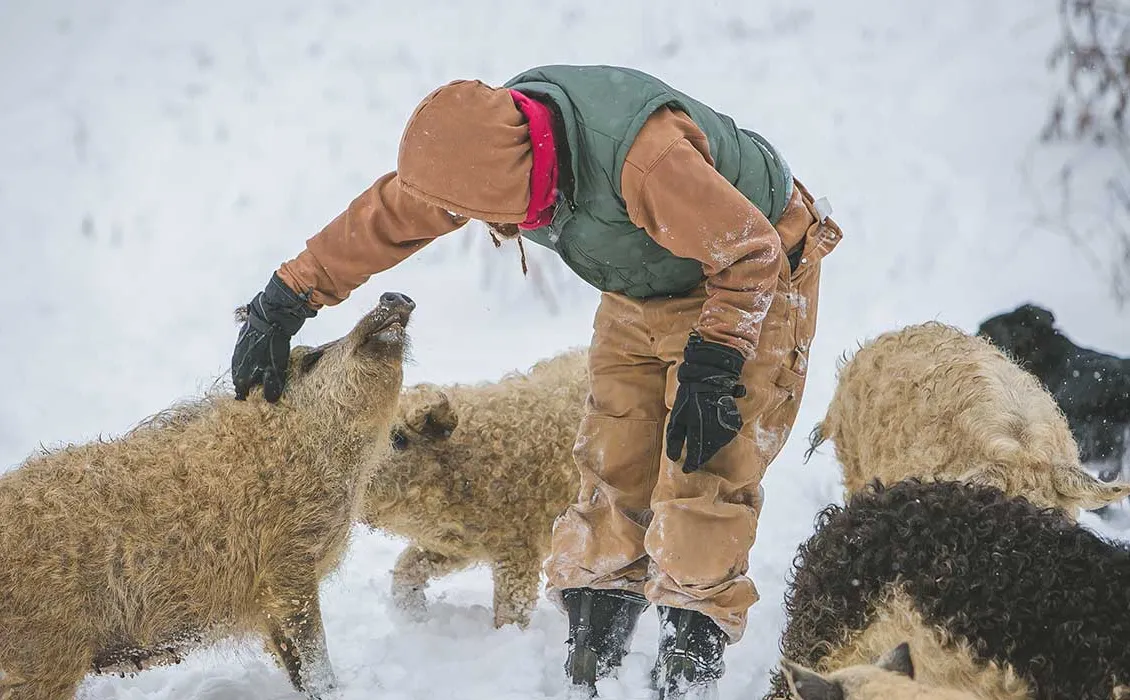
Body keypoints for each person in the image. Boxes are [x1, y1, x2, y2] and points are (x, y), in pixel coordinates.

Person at [230, 64, 842, 699]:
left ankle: (684, 676)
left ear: (519, 181)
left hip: (749, 284)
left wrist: (716, 362)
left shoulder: (643, 158)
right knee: (612, 470)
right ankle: (591, 673)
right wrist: (288, 297)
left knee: (702, 479)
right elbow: (391, 214)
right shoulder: (484, 149)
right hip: (639, 291)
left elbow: (751, 252)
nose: (478, 225)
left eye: (488, 217)